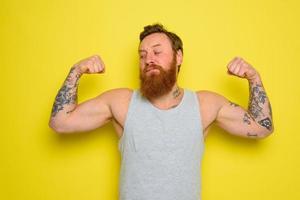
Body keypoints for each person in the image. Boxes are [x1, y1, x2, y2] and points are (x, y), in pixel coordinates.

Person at [49, 23, 274, 200]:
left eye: (157, 52)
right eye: (143, 54)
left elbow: (262, 128)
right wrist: (76, 71)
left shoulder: (204, 105)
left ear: (179, 57)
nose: (149, 60)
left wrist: (254, 78)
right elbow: (60, 122)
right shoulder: (121, 102)